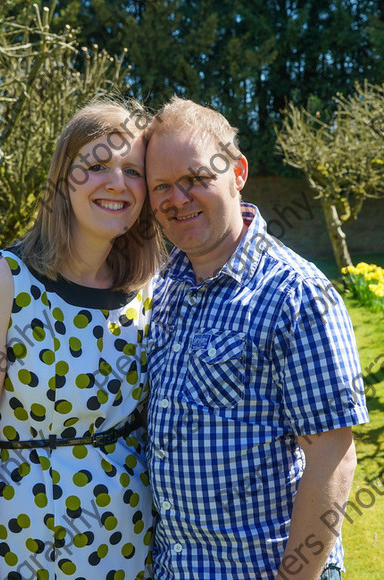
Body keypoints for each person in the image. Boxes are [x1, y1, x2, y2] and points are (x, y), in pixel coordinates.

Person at [144, 96, 369, 580]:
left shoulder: (298, 294)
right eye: (161, 185)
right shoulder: (164, 289)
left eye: (195, 179)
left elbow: (333, 459)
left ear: (238, 171)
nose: (176, 199)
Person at [0, 98, 165, 580]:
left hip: (139, 552)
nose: (117, 183)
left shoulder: (149, 291)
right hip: (31, 550)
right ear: (63, 178)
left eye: (132, 171)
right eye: (97, 165)